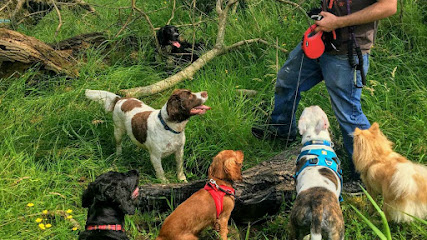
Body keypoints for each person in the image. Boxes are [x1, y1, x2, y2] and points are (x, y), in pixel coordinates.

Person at [252, 0, 397, 181]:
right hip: (320, 40)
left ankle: (365, 178)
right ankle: (281, 131)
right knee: (287, 81)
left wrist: (338, 22)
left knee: (349, 114)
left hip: (347, 51)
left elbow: (389, 6)